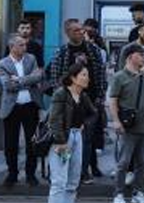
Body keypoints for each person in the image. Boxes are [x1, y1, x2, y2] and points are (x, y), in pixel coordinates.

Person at [45, 20, 107, 184]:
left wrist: (100, 96)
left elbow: (101, 73)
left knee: (86, 140)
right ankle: (63, 170)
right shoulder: (62, 52)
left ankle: (82, 171)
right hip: (68, 102)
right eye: (76, 30)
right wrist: (62, 97)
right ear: (68, 33)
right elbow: (55, 77)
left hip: (89, 101)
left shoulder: (93, 50)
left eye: (81, 29)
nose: (81, 32)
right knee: (67, 138)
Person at [45, 63, 98, 203]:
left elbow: (93, 113)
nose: (87, 78)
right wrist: (61, 142)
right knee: (59, 181)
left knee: (73, 180)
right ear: (73, 77)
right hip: (62, 139)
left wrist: (84, 125)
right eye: (84, 75)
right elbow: (54, 119)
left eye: (87, 75)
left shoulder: (83, 95)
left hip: (76, 137)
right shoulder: (61, 93)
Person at [108, 43, 144, 203]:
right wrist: (116, 120)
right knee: (123, 162)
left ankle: (139, 193)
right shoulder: (119, 77)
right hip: (127, 126)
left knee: (141, 162)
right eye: (141, 55)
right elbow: (113, 100)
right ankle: (119, 194)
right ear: (131, 57)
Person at [0, 35, 45, 188]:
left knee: (32, 141)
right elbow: (7, 86)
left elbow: (38, 76)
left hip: (30, 105)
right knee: (10, 143)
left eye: (25, 44)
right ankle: (12, 174)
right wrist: (27, 80)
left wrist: (18, 80)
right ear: (12, 48)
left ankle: (30, 174)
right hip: (12, 107)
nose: (25, 47)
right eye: (21, 45)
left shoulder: (31, 59)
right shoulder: (2, 63)